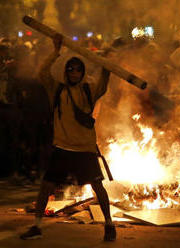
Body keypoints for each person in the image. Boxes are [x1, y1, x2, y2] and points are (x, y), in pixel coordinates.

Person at [20, 34, 116, 242]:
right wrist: (55, 51)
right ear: (66, 72)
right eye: (71, 69)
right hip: (63, 148)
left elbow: (103, 84)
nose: (74, 72)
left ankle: (109, 224)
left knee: (98, 187)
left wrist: (107, 67)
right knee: (46, 187)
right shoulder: (57, 89)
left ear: (82, 72)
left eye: (78, 69)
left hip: (85, 149)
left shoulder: (89, 90)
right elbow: (43, 73)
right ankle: (36, 226)